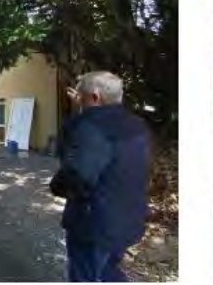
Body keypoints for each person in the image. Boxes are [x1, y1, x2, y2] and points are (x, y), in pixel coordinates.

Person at [50, 71, 151, 282]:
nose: (78, 100)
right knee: (107, 269)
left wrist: (57, 186)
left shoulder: (90, 126)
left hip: (95, 224)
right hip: (129, 217)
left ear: (95, 97)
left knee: (85, 275)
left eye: (81, 96)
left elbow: (76, 173)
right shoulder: (137, 124)